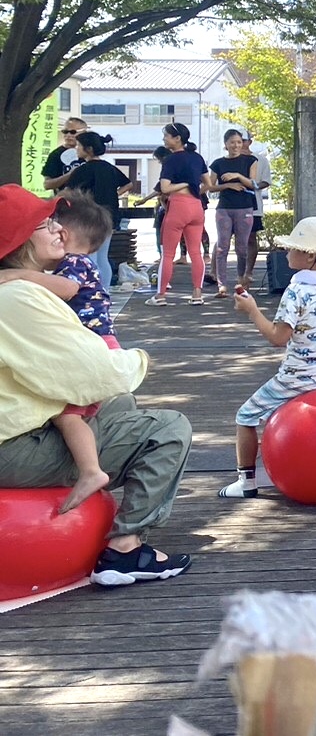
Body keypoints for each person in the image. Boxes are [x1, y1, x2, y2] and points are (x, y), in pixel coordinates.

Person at [0, 185, 192, 585]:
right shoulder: (18, 296)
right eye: (44, 223)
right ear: (18, 240)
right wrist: (137, 360)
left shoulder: (21, 287)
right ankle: (125, 550)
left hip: (19, 426)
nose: (57, 229)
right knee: (169, 428)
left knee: (120, 404)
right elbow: (93, 374)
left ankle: (101, 490)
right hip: (14, 447)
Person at [0, 194, 120, 513]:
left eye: (56, 224)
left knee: (68, 415)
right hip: (95, 343)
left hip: (96, 344)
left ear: (69, 236)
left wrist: (18, 275)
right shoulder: (71, 265)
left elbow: (68, 290)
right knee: (71, 412)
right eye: (47, 224)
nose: (55, 229)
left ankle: (91, 470)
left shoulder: (74, 264)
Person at [220, 217, 316, 499]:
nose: (286, 253)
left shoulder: (297, 290)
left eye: (293, 248)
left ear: (310, 256)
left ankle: (246, 482)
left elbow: (279, 338)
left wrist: (252, 311)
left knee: (245, 416)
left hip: (300, 376)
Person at [59, 131, 132, 288]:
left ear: (89, 149)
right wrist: (115, 193)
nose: (76, 149)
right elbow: (128, 184)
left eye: (79, 146)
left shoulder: (82, 170)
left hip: (89, 219)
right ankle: (104, 290)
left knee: (90, 255)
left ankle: (92, 290)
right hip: (110, 217)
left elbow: (67, 193)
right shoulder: (109, 168)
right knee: (103, 257)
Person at [151, 123, 211, 306]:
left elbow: (165, 188)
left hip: (178, 206)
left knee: (168, 253)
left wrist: (183, 185)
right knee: (196, 253)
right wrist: (192, 188)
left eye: (167, 136)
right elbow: (208, 184)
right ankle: (197, 294)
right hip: (196, 206)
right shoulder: (197, 157)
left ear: (177, 139)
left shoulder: (170, 160)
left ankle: (160, 295)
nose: (164, 139)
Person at [208, 129, 259, 298]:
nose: (236, 145)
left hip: (245, 207)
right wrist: (228, 186)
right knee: (222, 247)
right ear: (225, 145)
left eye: (239, 142)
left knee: (242, 248)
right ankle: (222, 285)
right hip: (224, 208)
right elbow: (210, 186)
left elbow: (253, 184)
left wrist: (237, 176)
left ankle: (241, 281)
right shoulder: (217, 163)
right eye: (232, 142)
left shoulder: (250, 160)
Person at [240, 131, 271, 289]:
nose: (240, 143)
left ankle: (248, 272)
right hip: (231, 203)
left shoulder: (261, 159)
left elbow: (266, 181)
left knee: (251, 238)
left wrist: (254, 186)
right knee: (224, 238)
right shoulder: (228, 159)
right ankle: (217, 273)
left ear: (250, 142)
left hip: (253, 202)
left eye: (243, 140)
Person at [42, 117, 88, 191]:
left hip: (89, 200)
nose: (68, 135)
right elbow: (47, 184)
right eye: (65, 131)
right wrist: (69, 175)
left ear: (84, 132)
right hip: (65, 199)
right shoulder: (56, 154)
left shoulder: (89, 152)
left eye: (73, 132)